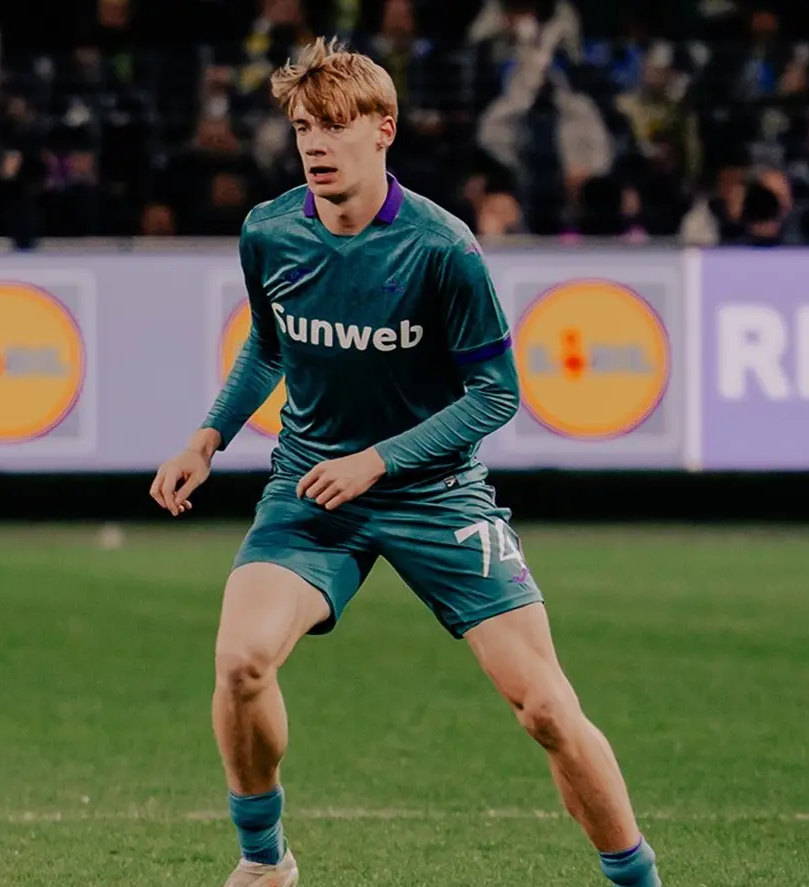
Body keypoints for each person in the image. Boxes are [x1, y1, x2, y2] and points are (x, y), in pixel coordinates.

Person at [150, 37, 663, 887]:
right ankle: (265, 861)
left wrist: (379, 461)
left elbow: (496, 395)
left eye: (335, 125)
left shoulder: (442, 247)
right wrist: (209, 436)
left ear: (383, 129)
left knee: (545, 707)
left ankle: (638, 879)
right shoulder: (269, 231)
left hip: (437, 495)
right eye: (304, 127)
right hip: (314, 487)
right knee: (240, 661)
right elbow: (270, 344)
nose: (315, 144)